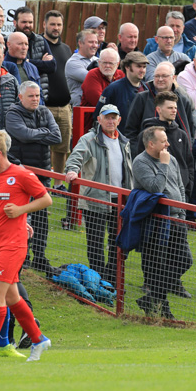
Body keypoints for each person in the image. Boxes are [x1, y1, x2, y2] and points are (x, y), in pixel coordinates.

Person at [0, 130, 53, 363]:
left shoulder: (21, 174)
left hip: (13, 245)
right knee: (13, 297)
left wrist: (21, 210)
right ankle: (39, 338)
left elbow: (46, 199)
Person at [65, 105, 133, 281]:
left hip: (120, 200)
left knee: (118, 242)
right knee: (95, 242)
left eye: (114, 118)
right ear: (99, 120)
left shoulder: (124, 142)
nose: (111, 121)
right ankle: (96, 279)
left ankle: (111, 278)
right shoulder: (89, 139)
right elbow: (76, 157)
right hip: (95, 198)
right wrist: (72, 170)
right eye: (107, 117)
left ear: (119, 120)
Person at [132, 125, 191, 319]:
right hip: (158, 221)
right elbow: (155, 187)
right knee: (158, 264)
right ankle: (163, 308)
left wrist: (182, 212)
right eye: (163, 141)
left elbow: (180, 187)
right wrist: (163, 165)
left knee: (185, 260)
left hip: (177, 219)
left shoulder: (171, 158)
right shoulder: (141, 162)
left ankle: (151, 299)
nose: (168, 144)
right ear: (151, 144)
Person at [5, 81, 61, 277]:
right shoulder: (12, 114)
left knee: (41, 218)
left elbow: (57, 137)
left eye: (37, 95)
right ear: (20, 97)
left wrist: (35, 135)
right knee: (21, 216)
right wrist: (44, 133)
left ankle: (40, 257)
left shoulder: (44, 112)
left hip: (43, 173)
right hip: (21, 174)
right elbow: (22, 134)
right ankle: (23, 256)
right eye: (31, 96)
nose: (35, 99)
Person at [94, 51, 149, 131]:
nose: (142, 70)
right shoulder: (114, 89)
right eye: (138, 66)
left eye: (144, 67)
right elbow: (98, 116)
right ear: (127, 67)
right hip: (119, 139)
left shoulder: (147, 89)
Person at [65, 29, 100, 106]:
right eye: (91, 42)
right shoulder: (73, 63)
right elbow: (92, 79)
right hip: (81, 110)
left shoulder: (98, 60)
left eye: (96, 42)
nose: (94, 45)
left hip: (97, 109)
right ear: (80, 43)